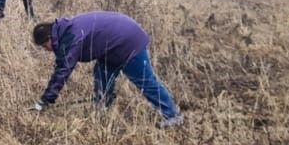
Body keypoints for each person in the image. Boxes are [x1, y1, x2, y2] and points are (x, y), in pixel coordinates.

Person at [30, 11, 184, 128]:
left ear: (50, 38)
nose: (46, 50)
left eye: (45, 46)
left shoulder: (70, 38)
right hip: (112, 46)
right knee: (102, 73)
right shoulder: (64, 31)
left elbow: (62, 71)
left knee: (144, 81)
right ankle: (103, 105)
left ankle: (172, 115)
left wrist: (46, 100)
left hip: (128, 42)